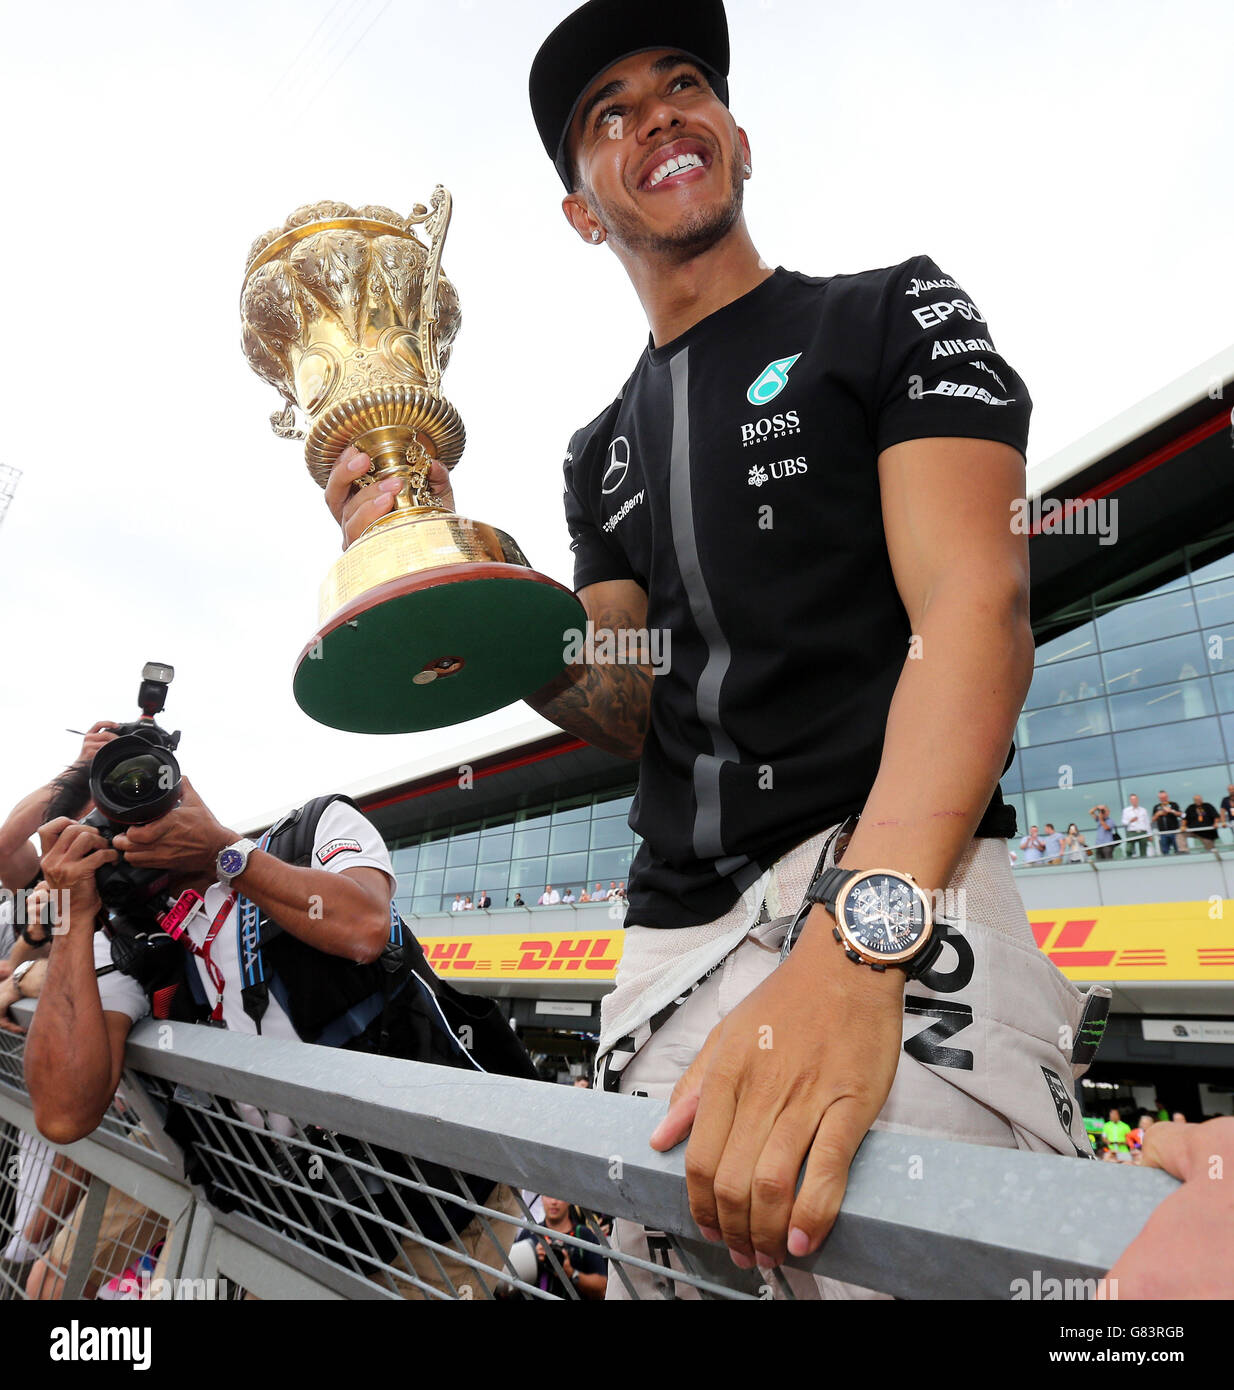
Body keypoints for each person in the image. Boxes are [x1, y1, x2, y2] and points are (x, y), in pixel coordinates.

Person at [323, 0, 1110, 1298]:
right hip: (666, 948)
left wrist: (858, 947)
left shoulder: (894, 314)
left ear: (737, 138)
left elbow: (974, 615)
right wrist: (453, 566)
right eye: (608, 114)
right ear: (583, 207)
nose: (657, 115)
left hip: (894, 893)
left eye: (683, 81)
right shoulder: (598, 451)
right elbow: (622, 692)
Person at [23, 770, 525, 1299]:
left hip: (442, 1196)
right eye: (82, 845)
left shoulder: (312, 830)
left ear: (174, 794)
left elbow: (365, 927)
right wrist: (72, 919)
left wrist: (223, 852)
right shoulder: (124, 939)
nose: (107, 847)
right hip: (304, 1212)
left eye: (112, 823)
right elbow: (63, 1112)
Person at [516, 1197, 608, 1300]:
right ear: (541, 1198)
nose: (553, 1202)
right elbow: (508, 1278)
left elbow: (602, 1288)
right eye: (548, 1195)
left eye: (558, 1197)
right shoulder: (530, 1233)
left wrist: (570, 1273)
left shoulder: (584, 1235)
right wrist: (531, 1256)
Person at [1150, 790, 1181, 855]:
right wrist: (1157, 814)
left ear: (1167, 797)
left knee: (1178, 850)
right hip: (1163, 833)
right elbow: (1152, 819)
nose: (1163, 799)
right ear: (1159, 798)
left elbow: (1180, 814)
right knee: (1165, 852)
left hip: (1174, 832)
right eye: (1161, 798)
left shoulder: (1173, 804)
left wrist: (1171, 811)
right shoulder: (1156, 807)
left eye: (1164, 797)